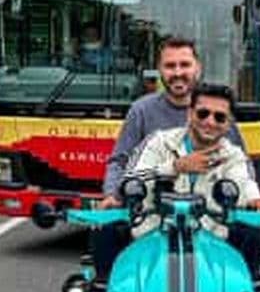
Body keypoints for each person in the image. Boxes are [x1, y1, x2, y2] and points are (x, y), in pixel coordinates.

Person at [94, 83, 260, 279]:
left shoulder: (233, 155)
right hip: (150, 240)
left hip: (210, 244)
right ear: (189, 114)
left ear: (228, 124)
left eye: (219, 117)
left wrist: (256, 201)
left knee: (250, 229)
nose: (210, 122)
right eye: (203, 114)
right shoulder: (158, 141)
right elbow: (130, 179)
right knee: (106, 223)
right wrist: (175, 167)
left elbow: (243, 183)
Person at [98, 37, 247, 206]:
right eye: (170, 66)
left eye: (184, 65)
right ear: (159, 70)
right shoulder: (141, 111)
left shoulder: (218, 111)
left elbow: (242, 166)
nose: (177, 73)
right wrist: (112, 195)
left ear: (197, 68)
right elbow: (120, 162)